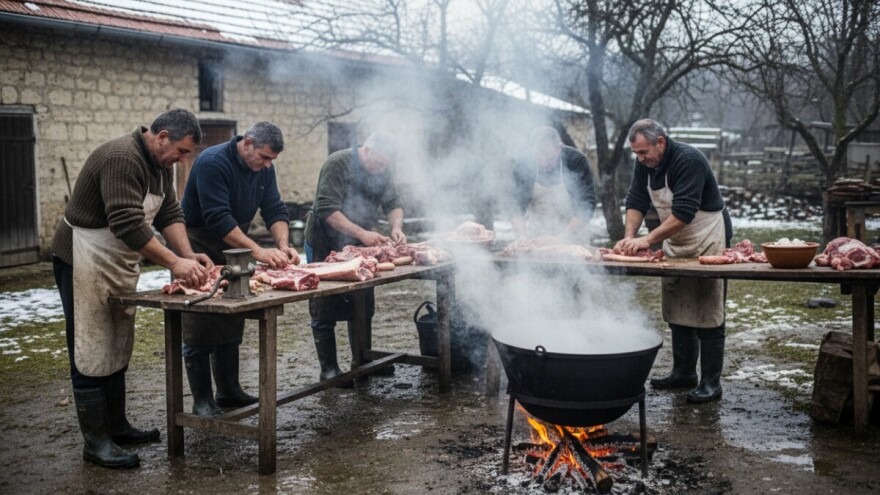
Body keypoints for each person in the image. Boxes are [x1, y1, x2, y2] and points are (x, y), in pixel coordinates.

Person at [51, 109, 212, 468]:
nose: (183, 159)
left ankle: (117, 426)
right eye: (182, 151)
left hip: (117, 260)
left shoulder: (160, 165)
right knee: (90, 345)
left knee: (117, 340)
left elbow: (169, 213)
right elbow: (126, 222)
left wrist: (189, 255)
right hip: (82, 257)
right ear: (162, 136)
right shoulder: (121, 157)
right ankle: (96, 443)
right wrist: (174, 264)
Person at [179, 121, 299, 417]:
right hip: (198, 243)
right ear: (247, 144)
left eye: (272, 160)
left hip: (236, 245)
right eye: (265, 157)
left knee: (234, 313)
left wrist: (282, 245)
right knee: (200, 320)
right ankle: (202, 400)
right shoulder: (212, 162)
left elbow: (274, 209)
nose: (268, 165)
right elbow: (217, 217)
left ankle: (229, 390)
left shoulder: (264, 170)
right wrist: (258, 252)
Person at [614, 119, 733, 403]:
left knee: (708, 307)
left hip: (707, 234)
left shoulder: (688, 160)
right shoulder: (644, 163)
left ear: (661, 142)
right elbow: (636, 199)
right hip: (677, 238)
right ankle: (683, 373)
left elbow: (685, 211)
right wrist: (629, 237)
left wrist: (647, 240)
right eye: (636, 154)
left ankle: (711, 383)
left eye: (644, 152)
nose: (640, 159)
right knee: (677, 304)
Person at [304, 132, 406, 383]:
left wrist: (396, 227)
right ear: (366, 149)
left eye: (384, 166)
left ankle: (362, 359)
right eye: (377, 163)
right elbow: (326, 209)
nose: (379, 169)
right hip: (324, 240)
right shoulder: (338, 163)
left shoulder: (383, 167)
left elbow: (394, 202)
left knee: (363, 301)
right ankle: (328, 370)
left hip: (361, 242)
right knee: (323, 305)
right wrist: (362, 233)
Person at [511, 126, 597, 243]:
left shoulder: (576, 161)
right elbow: (515, 205)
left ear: (559, 148)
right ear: (532, 150)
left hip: (573, 235)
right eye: (539, 157)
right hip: (538, 233)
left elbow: (587, 204)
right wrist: (522, 237)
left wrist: (561, 238)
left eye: (549, 157)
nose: (544, 162)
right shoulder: (523, 164)